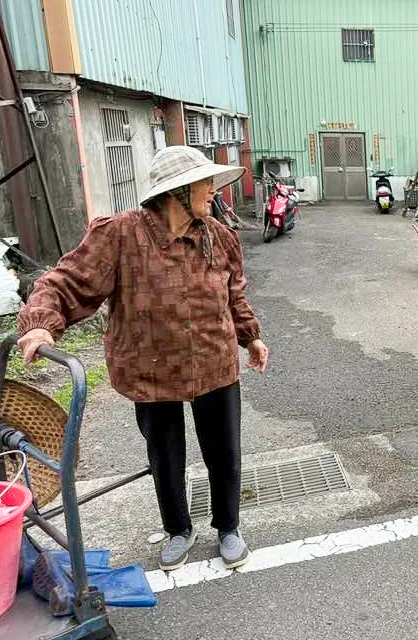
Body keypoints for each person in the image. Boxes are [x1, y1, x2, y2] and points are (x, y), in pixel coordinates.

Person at [17, 145, 269, 569]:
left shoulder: (220, 237)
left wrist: (251, 337)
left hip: (214, 361)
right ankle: (178, 529)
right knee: (165, 453)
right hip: (150, 368)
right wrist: (42, 322)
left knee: (224, 450)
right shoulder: (119, 235)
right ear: (178, 192)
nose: (213, 190)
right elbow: (66, 282)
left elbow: (234, 295)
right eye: (205, 183)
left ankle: (228, 527)